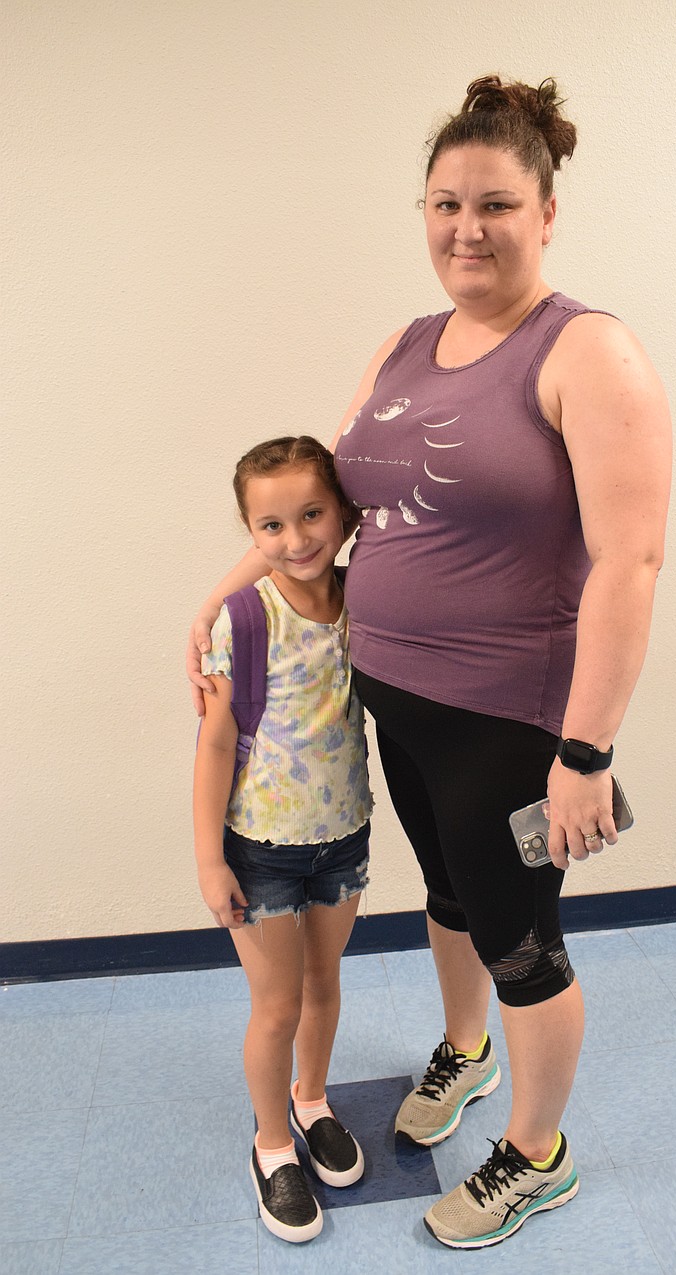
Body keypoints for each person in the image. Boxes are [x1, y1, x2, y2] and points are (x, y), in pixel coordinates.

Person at [189, 75, 671, 1250]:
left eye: (496, 203)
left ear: (545, 211)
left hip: (509, 718)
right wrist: (221, 595)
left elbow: (629, 563)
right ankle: (464, 1055)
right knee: (448, 899)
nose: (468, 226)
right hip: (390, 702)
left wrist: (584, 755)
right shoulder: (407, 345)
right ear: (423, 210)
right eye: (446, 202)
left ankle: (538, 1153)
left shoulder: (587, 351)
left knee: (520, 938)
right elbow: (328, 516)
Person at [192, 435, 373, 1245]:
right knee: (278, 1003)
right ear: (249, 531)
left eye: (311, 515)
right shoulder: (245, 615)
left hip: (343, 835)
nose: (296, 539)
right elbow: (214, 739)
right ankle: (272, 1145)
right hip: (261, 847)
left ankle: (312, 1099)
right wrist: (207, 859)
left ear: (343, 512)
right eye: (271, 525)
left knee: (325, 983)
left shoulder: (363, 593)